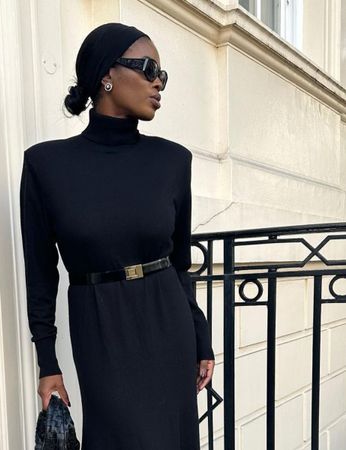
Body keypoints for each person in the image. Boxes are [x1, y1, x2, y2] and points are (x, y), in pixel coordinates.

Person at [20, 22, 215, 450]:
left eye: (163, 73)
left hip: (169, 326)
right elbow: (40, 275)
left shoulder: (172, 161)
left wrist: (201, 339)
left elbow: (180, 263)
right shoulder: (46, 167)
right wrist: (47, 363)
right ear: (106, 75)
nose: (158, 82)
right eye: (148, 68)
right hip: (101, 330)